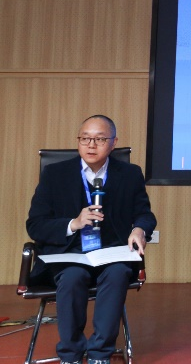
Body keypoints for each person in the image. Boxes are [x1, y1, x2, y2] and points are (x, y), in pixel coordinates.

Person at [26, 115, 157, 364]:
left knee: (118, 273)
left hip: (111, 253)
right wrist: (73, 224)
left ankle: (100, 354)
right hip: (68, 254)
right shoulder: (55, 174)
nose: (91, 145)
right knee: (73, 277)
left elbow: (144, 214)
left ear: (113, 143)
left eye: (99, 139)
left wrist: (140, 229)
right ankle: (71, 354)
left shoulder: (130, 174)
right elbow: (35, 225)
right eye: (85, 138)